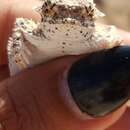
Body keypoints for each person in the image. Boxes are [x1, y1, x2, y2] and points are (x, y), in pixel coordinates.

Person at [0, 0, 130, 130]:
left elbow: (112, 37)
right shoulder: (29, 35)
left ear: (92, 15)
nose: (68, 17)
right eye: (55, 10)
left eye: (82, 13)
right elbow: (20, 24)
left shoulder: (102, 38)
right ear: (45, 12)